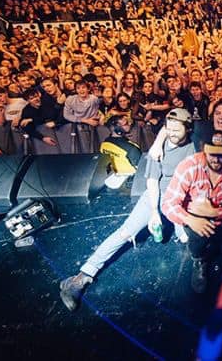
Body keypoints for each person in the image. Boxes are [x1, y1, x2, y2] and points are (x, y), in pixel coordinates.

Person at [59, 108, 194, 311]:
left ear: (188, 129)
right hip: (157, 195)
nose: (172, 133)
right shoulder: (159, 150)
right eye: (169, 129)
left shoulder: (194, 146)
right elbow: (152, 182)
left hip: (181, 198)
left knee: (189, 238)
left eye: (177, 129)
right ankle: (81, 278)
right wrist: (155, 212)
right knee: (125, 232)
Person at [161, 131, 222, 293]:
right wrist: (190, 219)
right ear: (203, 149)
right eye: (212, 154)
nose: (216, 159)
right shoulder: (188, 166)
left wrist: (214, 212)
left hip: (219, 215)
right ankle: (198, 259)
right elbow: (168, 204)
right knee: (197, 236)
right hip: (194, 217)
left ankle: (214, 245)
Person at [99, 114, 142, 190]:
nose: (129, 124)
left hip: (113, 179)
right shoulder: (132, 148)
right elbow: (141, 169)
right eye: (126, 124)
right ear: (117, 128)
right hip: (131, 182)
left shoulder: (104, 144)